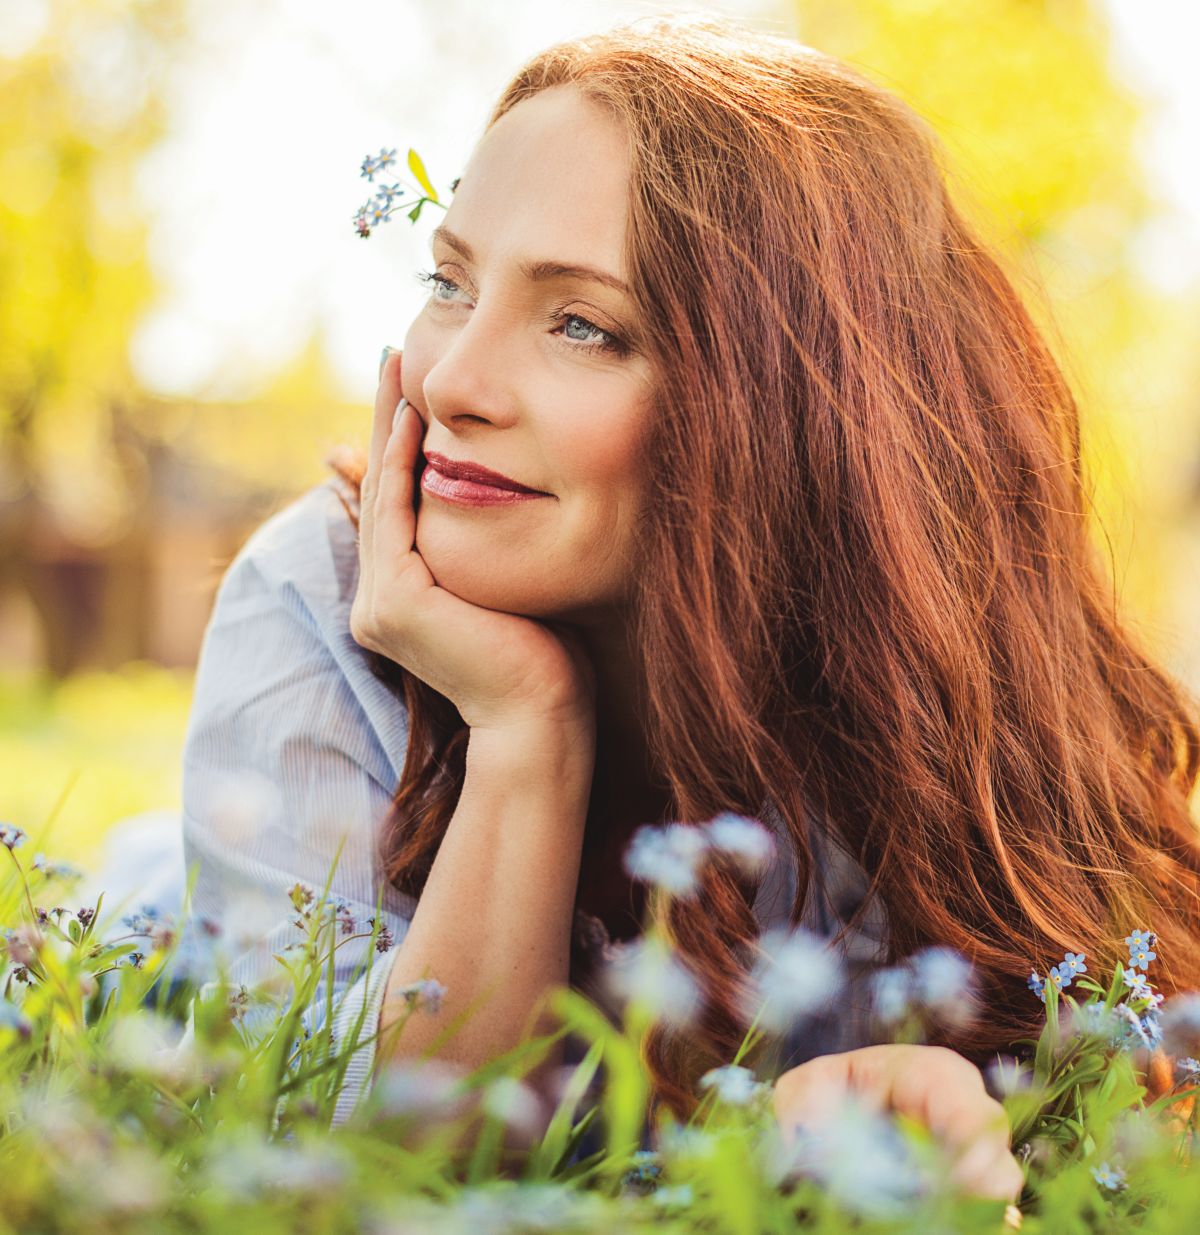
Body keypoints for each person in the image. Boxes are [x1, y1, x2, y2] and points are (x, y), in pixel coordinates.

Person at [143, 13, 1200, 1204]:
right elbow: (356, 1178)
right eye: (450, 281)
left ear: (785, 406)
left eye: (582, 324)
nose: (450, 381)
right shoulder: (322, 597)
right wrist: (529, 732)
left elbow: (1120, 1082)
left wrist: (913, 1106)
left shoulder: (929, 700)